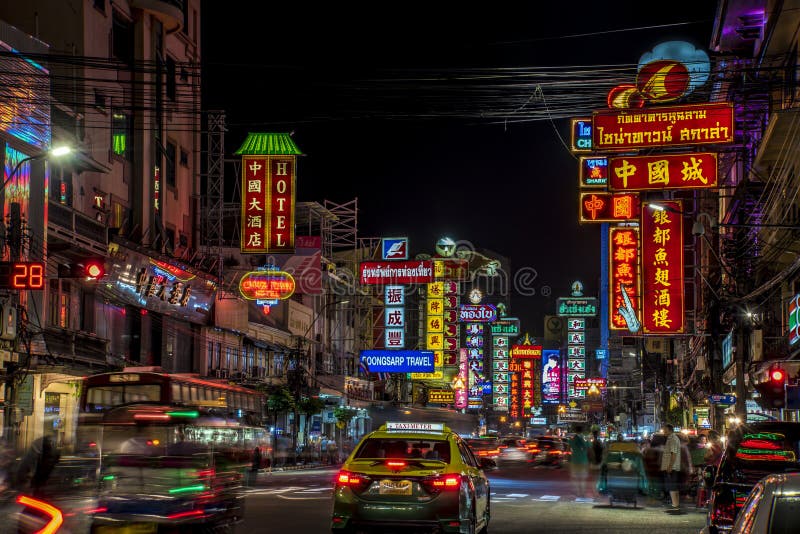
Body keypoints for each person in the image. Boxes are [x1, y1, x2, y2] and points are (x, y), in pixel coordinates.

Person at [661, 424, 682, 513]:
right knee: (673, 487)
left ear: (669, 430)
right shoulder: (671, 438)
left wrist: (670, 466)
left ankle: (675, 506)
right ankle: (676, 505)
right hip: (672, 466)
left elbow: (673, 454)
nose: (663, 431)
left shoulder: (673, 439)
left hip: (671, 467)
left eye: (665, 430)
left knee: (671, 486)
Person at [568, 425, 590, 499]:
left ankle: (578, 493)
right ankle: (583, 493)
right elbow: (588, 446)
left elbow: (568, 447)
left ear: (575, 431)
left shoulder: (572, 440)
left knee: (576, 478)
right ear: (582, 431)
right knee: (582, 479)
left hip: (575, 461)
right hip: (583, 461)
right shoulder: (583, 439)